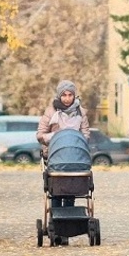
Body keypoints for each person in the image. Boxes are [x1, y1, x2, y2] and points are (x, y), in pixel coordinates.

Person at [37, 80, 91, 209]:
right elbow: (40, 135)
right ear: (59, 96)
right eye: (64, 95)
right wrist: (56, 136)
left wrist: (76, 139)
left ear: (74, 95)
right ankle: (55, 215)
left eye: (70, 95)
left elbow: (86, 134)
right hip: (55, 155)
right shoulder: (50, 112)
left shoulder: (80, 113)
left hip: (74, 156)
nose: (67, 98)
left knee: (71, 189)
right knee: (56, 190)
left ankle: (70, 215)